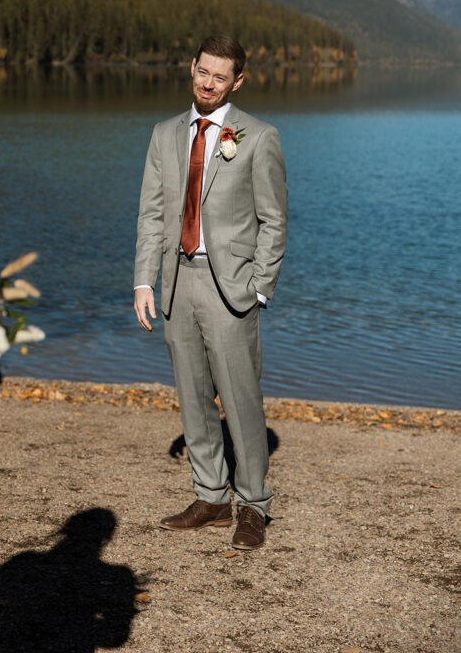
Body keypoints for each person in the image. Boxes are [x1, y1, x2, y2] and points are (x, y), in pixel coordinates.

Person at [133, 34, 287, 550]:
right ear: (191, 67)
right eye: (203, 72)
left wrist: (258, 288)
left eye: (220, 77)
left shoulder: (258, 137)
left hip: (231, 291)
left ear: (236, 81)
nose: (208, 83)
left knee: (241, 402)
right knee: (194, 398)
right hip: (176, 282)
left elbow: (274, 220)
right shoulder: (164, 134)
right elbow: (152, 214)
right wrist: (143, 280)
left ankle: (253, 506)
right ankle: (211, 496)